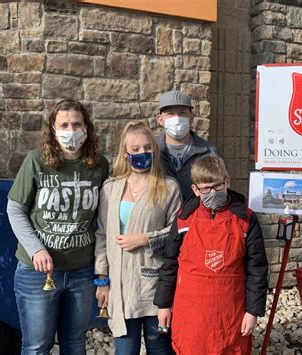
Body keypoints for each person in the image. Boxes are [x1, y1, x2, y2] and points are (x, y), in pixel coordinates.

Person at [7, 98, 109, 355]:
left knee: (74, 342)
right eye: (63, 124)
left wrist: (101, 271)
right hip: (37, 272)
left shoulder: (99, 165)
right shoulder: (36, 161)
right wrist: (36, 249)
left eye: (76, 124)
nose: (71, 130)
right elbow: (15, 208)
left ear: (87, 128)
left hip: (81, 271)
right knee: (37, 346)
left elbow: (104, 220)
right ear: (52, 129)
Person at [154, 155, 268, 354]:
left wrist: (253, 311)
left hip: (230, 312)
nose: (212, 193)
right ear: (195, 190)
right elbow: (169, 264)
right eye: (206, 189)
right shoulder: (184, 220)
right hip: (192, 311)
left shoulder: (245, 220)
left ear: (227, 181)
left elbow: (257, 268)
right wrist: (163, 304)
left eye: (217, 186)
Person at [94, 122, 181, 355]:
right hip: (121, 288)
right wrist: (102, 281)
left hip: (154, 285)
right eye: (136, 149)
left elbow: (178, 233)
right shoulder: (110, 189)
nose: (142, 153)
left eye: (147, 147)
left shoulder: (168, 187)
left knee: (159, 347)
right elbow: (102, 235)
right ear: (126, 153)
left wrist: (146, 239)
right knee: (124, 349)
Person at [156, 90, 219, 201]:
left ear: (191, 117)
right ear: (160, 120)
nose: (177, 118)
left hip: (196, 216)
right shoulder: (152, 152)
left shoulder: (209, 152)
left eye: (182, 113)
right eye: (170, 114)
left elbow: (219, 192)